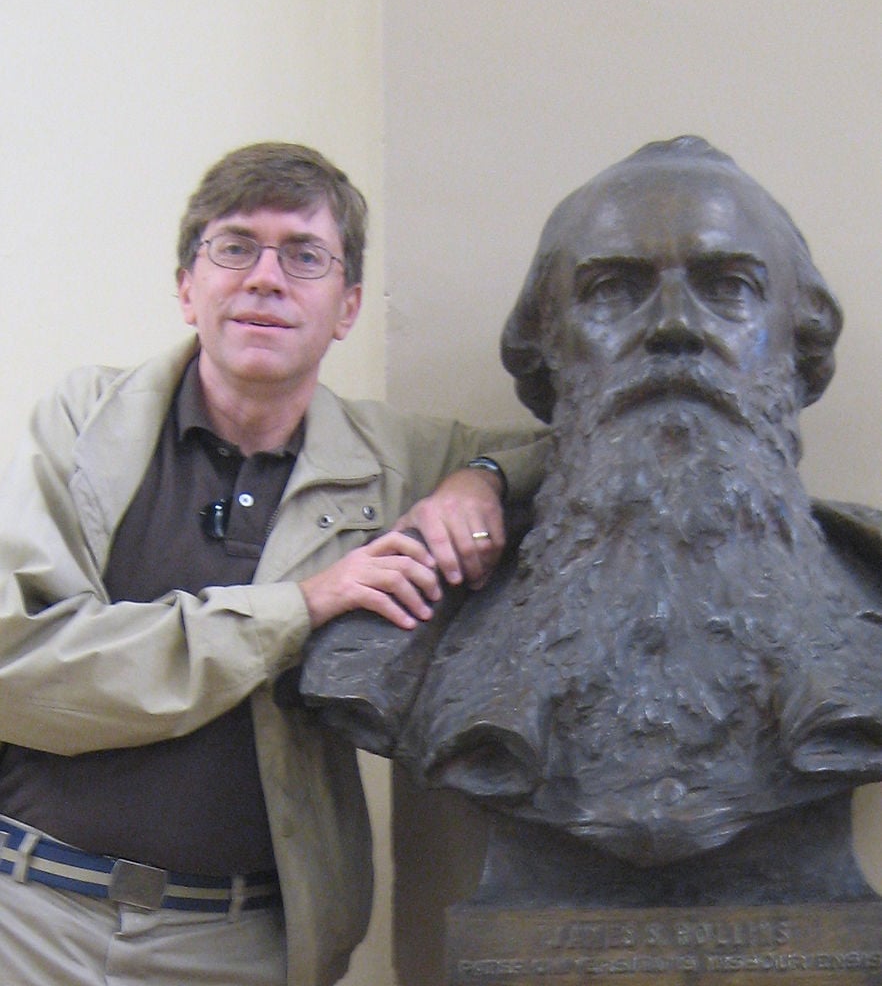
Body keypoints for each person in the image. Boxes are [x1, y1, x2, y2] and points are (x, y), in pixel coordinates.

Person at [0, 142, 542, 986]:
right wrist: (300, 607)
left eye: (304, 255)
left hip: (241, 947)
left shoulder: (395, 458)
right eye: (235, 246)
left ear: (348, 305)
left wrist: (483, 477)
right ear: (189, 286)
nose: (265, 277)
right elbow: (19, 670)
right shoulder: (83, 425)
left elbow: (571, 451)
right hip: (26, 921)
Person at [302, 136, 882, 903]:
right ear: (548, 347)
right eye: (613, 291)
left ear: (796, 338)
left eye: (729, 286)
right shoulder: (397, 639)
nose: (674, 326)